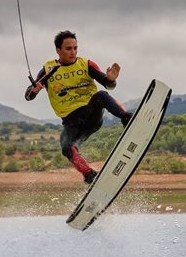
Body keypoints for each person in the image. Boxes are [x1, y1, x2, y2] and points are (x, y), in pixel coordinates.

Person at [24, 30, 132, 184]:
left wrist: (110, 80)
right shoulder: (48, 70)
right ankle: (89, 175)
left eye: (75, 48)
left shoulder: (86, 64)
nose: (73, 52)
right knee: (66, 147)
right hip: (71, 123)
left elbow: (108, 85)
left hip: (91, 114)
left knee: (100, 95)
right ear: (58, 50)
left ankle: (127, 118)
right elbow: (28, 96)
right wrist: (33, 90)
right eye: (68, 49)